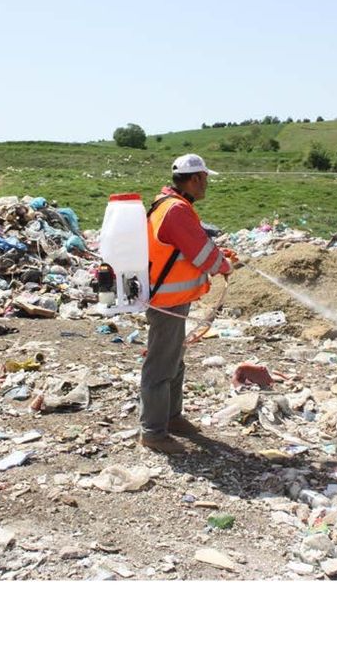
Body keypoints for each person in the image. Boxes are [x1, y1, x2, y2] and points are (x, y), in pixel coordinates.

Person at [140, 154, 232, 455]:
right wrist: (224, 265)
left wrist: (219, 258)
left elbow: (190, 249)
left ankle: (172, 417)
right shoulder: (176, 210)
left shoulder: (170, 204)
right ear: (194, 179)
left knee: (174, 360)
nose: (207, 184)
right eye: (205, 178)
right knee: (160, 365)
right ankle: (153, 432)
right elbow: (202, 253)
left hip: (173, 298)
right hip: (166, 300)